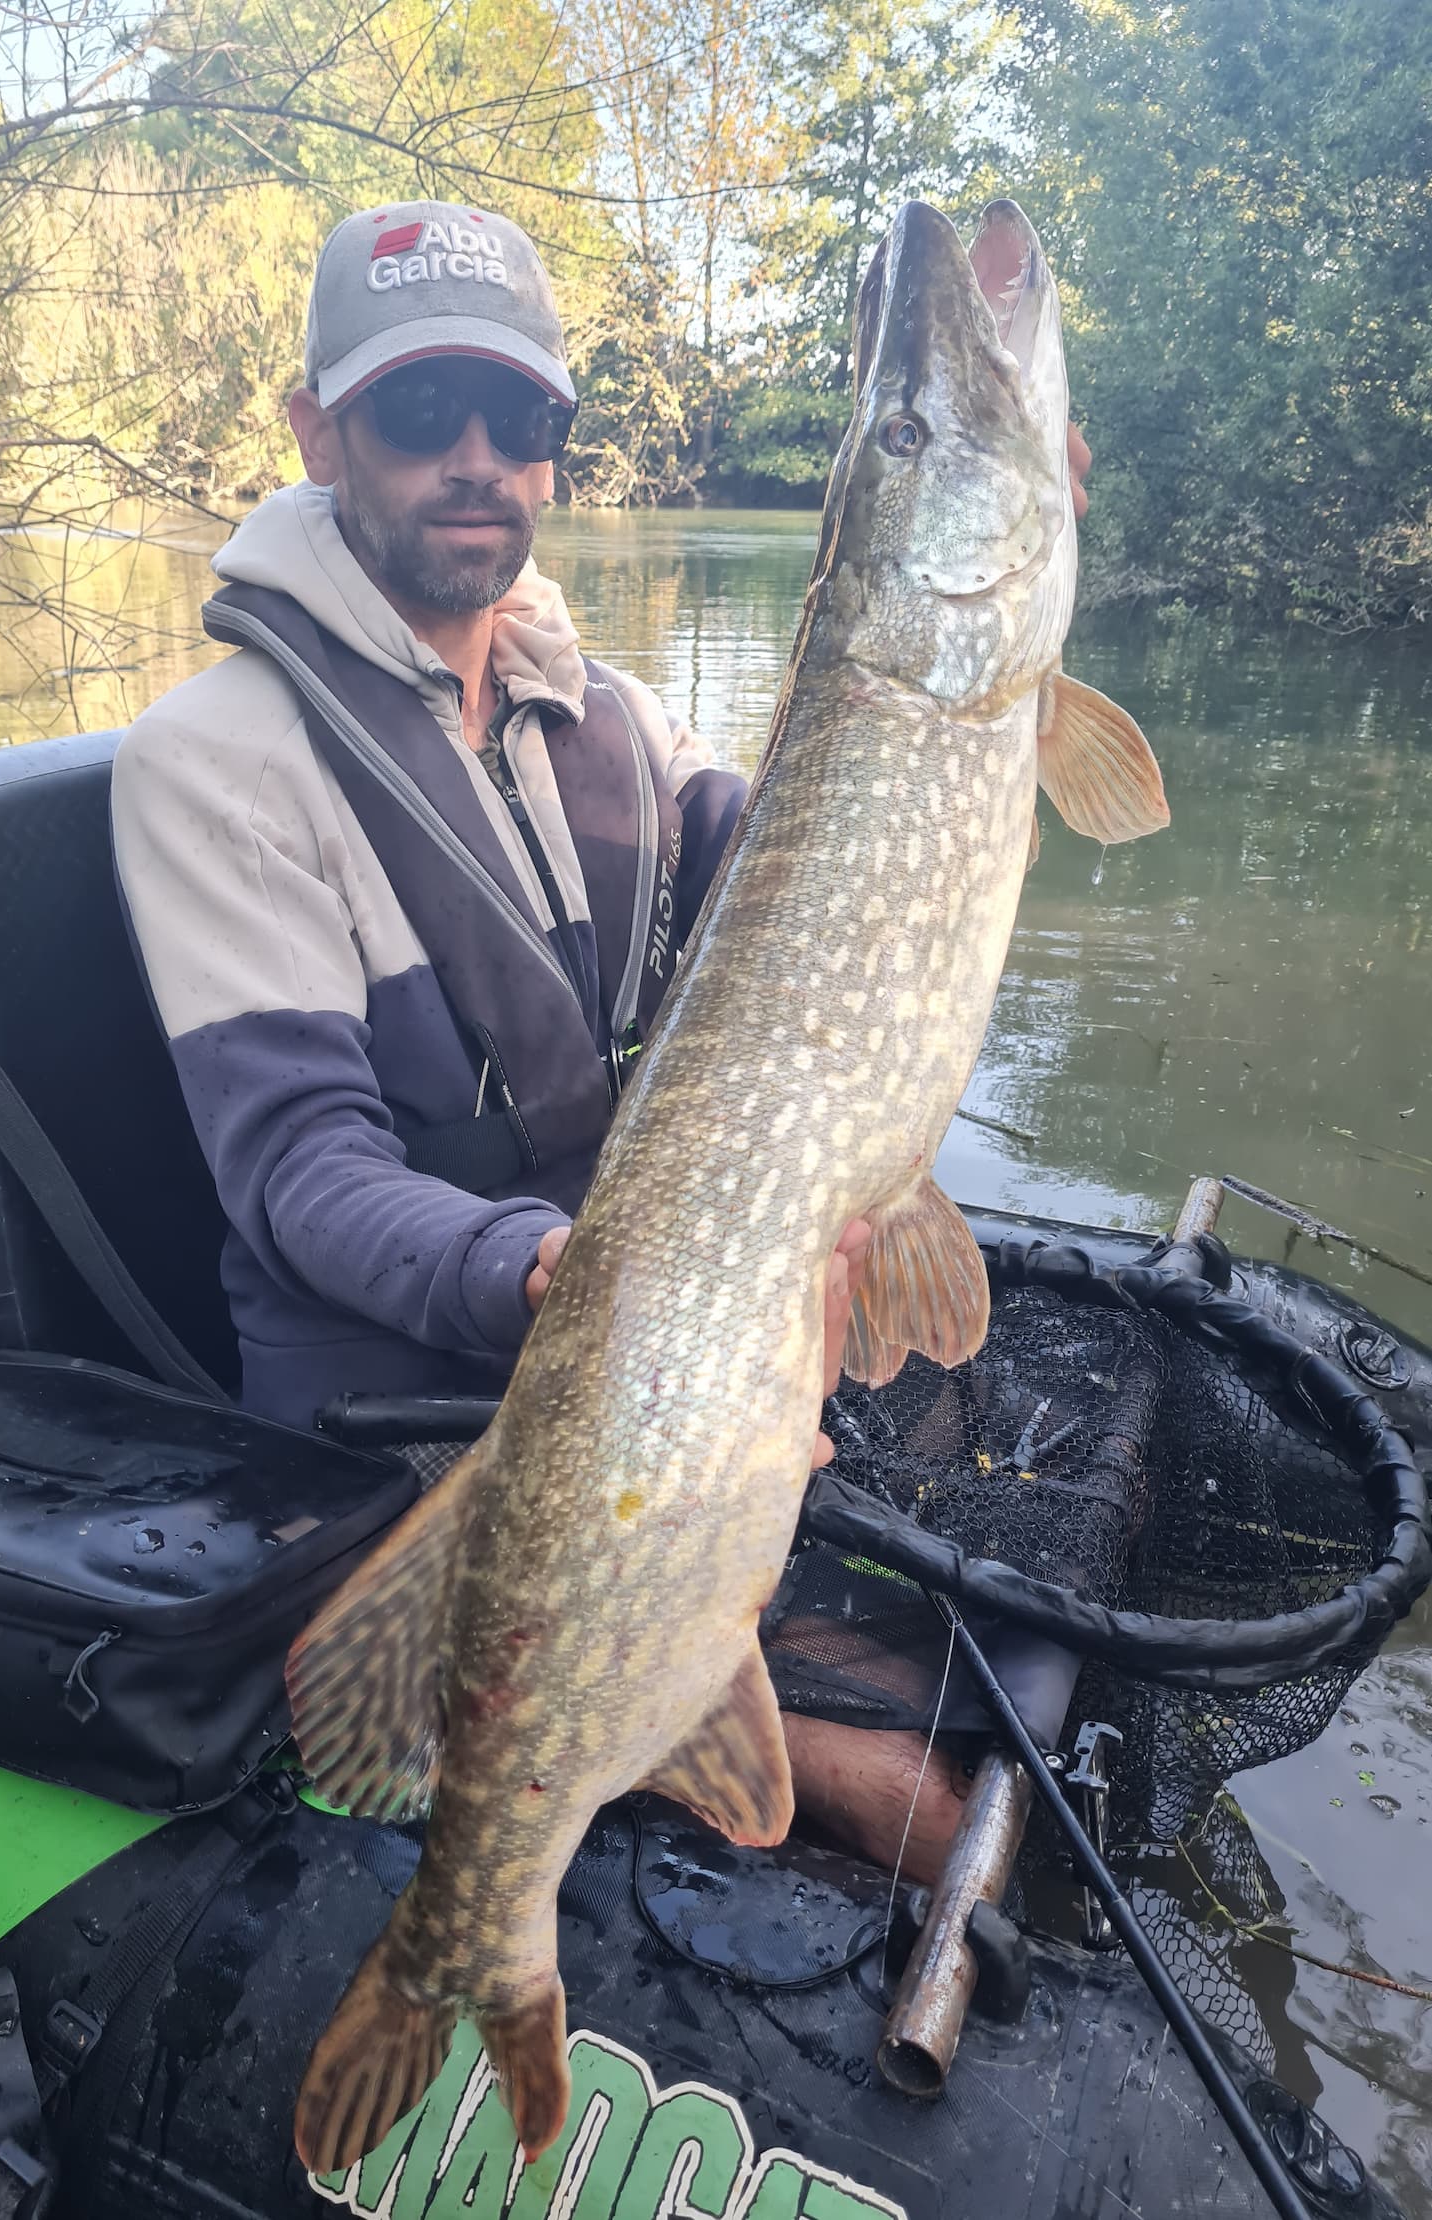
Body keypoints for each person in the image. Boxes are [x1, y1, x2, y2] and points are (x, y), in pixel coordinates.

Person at [113, 199, 1088, 1880]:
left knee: (1004, 1681)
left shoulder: (615, 718)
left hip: (670, 1351)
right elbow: (300, 1176)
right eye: (422, 413)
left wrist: (1010, 604)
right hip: (408, 1398)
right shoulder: (214, 762)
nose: (477, 459)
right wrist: (561, 1278)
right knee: (939, 1814)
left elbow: (807, 904)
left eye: (524, 419)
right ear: (317, 430)